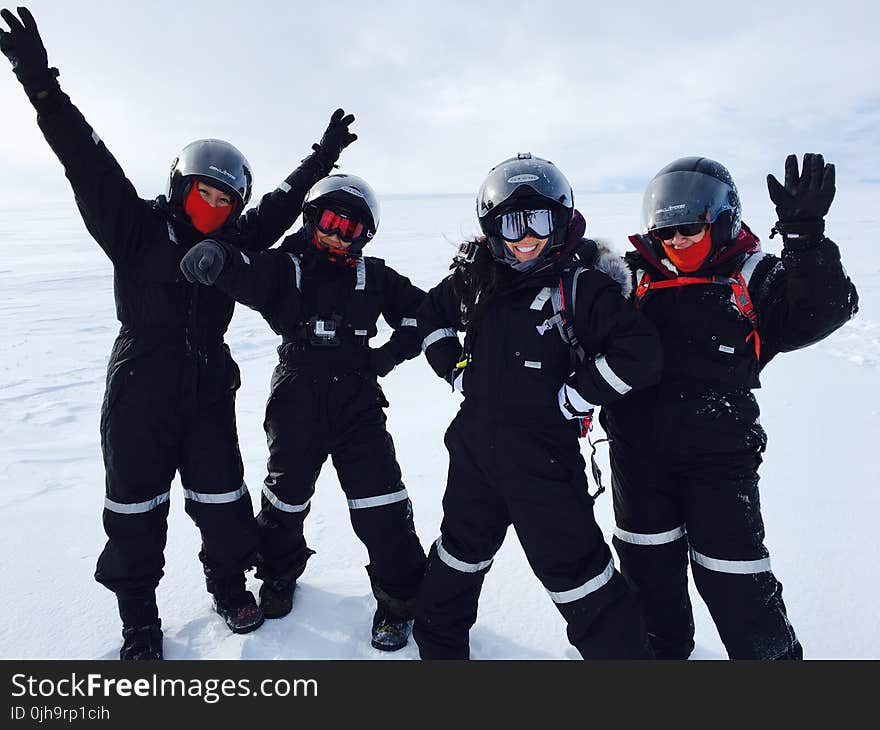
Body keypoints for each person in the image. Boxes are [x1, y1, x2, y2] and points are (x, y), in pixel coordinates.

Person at [0, 6, 357, 660]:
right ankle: (140, 619)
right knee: (135, 511)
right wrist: (40, 83)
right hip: (139, 382)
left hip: (208, 385)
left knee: (223, 502)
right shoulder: (134, 228)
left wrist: (322, 157)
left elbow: (279, 206)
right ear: (179, 185)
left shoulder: (236, 241)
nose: (214, 208)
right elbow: (86, 159)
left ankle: (226, 584)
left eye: (226, 201)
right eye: (203, 194)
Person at [601, 154, 859, 659]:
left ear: (721, 221)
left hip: (719, 459)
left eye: (690, 228)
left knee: (734, 575)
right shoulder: (631, 276)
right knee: (647, 568)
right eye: (667, 230)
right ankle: (663, 653)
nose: (676, 241)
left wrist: (805, 239)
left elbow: (824, 310)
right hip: (638, 456)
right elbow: (569, 299)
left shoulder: (753, 274)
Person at [411, 153, 664, 659]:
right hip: (474, 450)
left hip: (543, 458)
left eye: (539, 221)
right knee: (459, 551)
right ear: (492, 227)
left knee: (576, 570)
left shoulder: (581, 287)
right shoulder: (477, 277)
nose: (526, 236)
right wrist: (455, 370)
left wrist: (577, 394)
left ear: (561, 221)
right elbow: (430, 315)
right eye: (511, 222)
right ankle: (438, 647)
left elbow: (641, 354)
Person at [180, 173, 428, 651]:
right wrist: (219, 258)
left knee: (380, 499)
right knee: (286, 497)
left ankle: (398, 601)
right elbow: (247, 268)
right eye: (331, 221)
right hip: (296, 393)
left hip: (358, 398)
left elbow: (422, 313)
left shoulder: (375, 276)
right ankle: (277, 576)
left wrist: (389, 355)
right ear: (312, 218)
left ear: (365, 235)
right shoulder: (285, 267)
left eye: (351, 228)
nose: (338, 234)